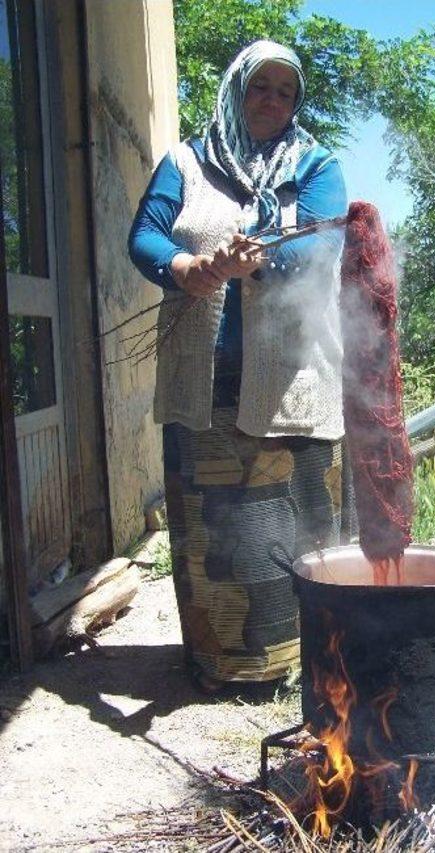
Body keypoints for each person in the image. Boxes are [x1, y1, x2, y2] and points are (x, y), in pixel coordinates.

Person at [129, 40, 347, 693]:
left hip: (295, 384)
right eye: (261, 86)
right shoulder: (186, 162)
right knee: (210, 530)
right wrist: (188, 267)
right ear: (236, 89)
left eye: (285, 90)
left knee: (299, 522)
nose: (272, 99)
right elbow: (145, 233)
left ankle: (308, 662)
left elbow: (320, 241)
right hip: (206, 380)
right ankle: (218, 664)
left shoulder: (315, 163)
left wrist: (261, 261)